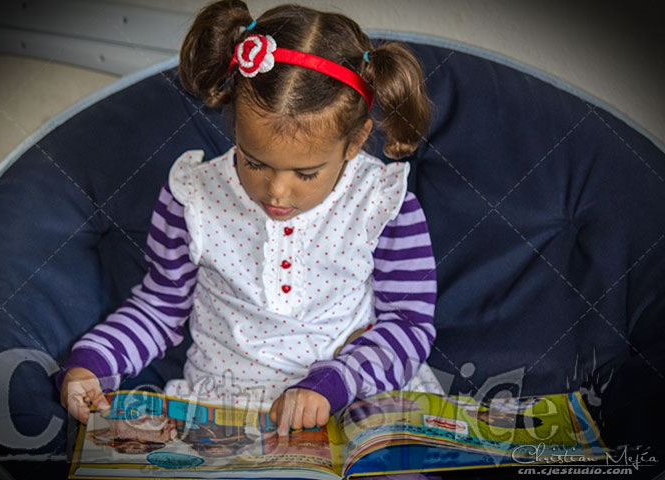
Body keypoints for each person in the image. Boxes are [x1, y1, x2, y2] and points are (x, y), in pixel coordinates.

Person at [57, 0, 442, 438]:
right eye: (255, 162)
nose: (277, 191)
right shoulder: (193, 197)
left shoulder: (383, 202)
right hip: (225, 408)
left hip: (354, 395)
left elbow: (408, 324)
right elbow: (160, 307)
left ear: (354, 141)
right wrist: (94, 362)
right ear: (234, 125)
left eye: (305, 173)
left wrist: (336, 382)